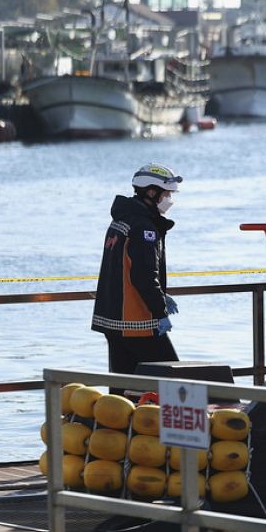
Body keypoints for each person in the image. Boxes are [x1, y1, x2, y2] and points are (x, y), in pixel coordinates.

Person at [91, 163, 182, 384]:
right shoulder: (144, 227)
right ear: (151, 192)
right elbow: (143, 276)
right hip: (137, 322)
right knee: (175, 380)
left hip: (112, 320)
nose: (169, 199)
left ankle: (115, 419)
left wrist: (160, 295)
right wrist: (159, 310)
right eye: (166, 193)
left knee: (124, 390)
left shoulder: (121, 220)